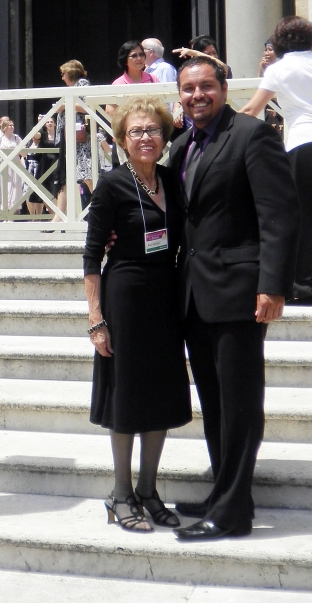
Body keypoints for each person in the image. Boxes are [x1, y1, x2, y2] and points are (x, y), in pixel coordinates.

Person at [167, 56, 300, 540]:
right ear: (178, 95)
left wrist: (273, 284)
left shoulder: (251, 135)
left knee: (240, 402)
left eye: (206, 86)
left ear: (223, 88)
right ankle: (224, 492)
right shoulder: (181, 146)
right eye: (188, 89)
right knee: (214, 402)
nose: (197, 95)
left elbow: (279, 215)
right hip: (195, 295)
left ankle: (232, 514)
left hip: (241, 292)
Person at [83, 96, 191, 533]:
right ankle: (121, 493)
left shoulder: (171, 178)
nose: (145, 138)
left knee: (162, 393)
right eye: (136, 132)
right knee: (126, 395)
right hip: (124, 296)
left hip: (166, 295)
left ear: (165, 136)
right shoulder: (112, 184)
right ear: (123, 141)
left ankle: (149, 490)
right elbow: (92, 255)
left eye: (153, 130)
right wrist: (96, 318)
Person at [240, 16, 312, 305]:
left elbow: (253, 108)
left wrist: (223, 125)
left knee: (303, 217)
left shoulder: (279, 68)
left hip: (304, 142)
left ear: (279, 42)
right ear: (311, 38)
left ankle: (305, 287)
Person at [50, 60, 93, 226]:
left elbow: (88, 106)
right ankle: (58, 217)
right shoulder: (72, 88)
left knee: (87, 176)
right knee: (65, 178)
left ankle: (103, 209)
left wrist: (65, 106)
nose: (62, 78)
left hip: (80, 140)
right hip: (69, 138)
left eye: (63, 74)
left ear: (71, 73)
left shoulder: (83, 84)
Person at [106, 41, 159, 166]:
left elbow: (160, 106)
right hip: (127, 137)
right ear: (125, 60)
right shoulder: (118, 83)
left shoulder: (153, 79)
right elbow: (109, 111)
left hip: (151, 136)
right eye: (134, 56)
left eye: (141, 54)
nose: (139, 58)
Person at [0, 119, 24, 214]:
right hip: (4, 166)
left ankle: (13, 213)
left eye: (13, 125)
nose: (12, 127)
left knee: (15, 189)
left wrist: (17, 150)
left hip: (15, 165)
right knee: (4, 188)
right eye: (10, 125)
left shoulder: (16, 138)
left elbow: (24, 153)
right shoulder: (1, 138)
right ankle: (5, 213)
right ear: (5, 127)